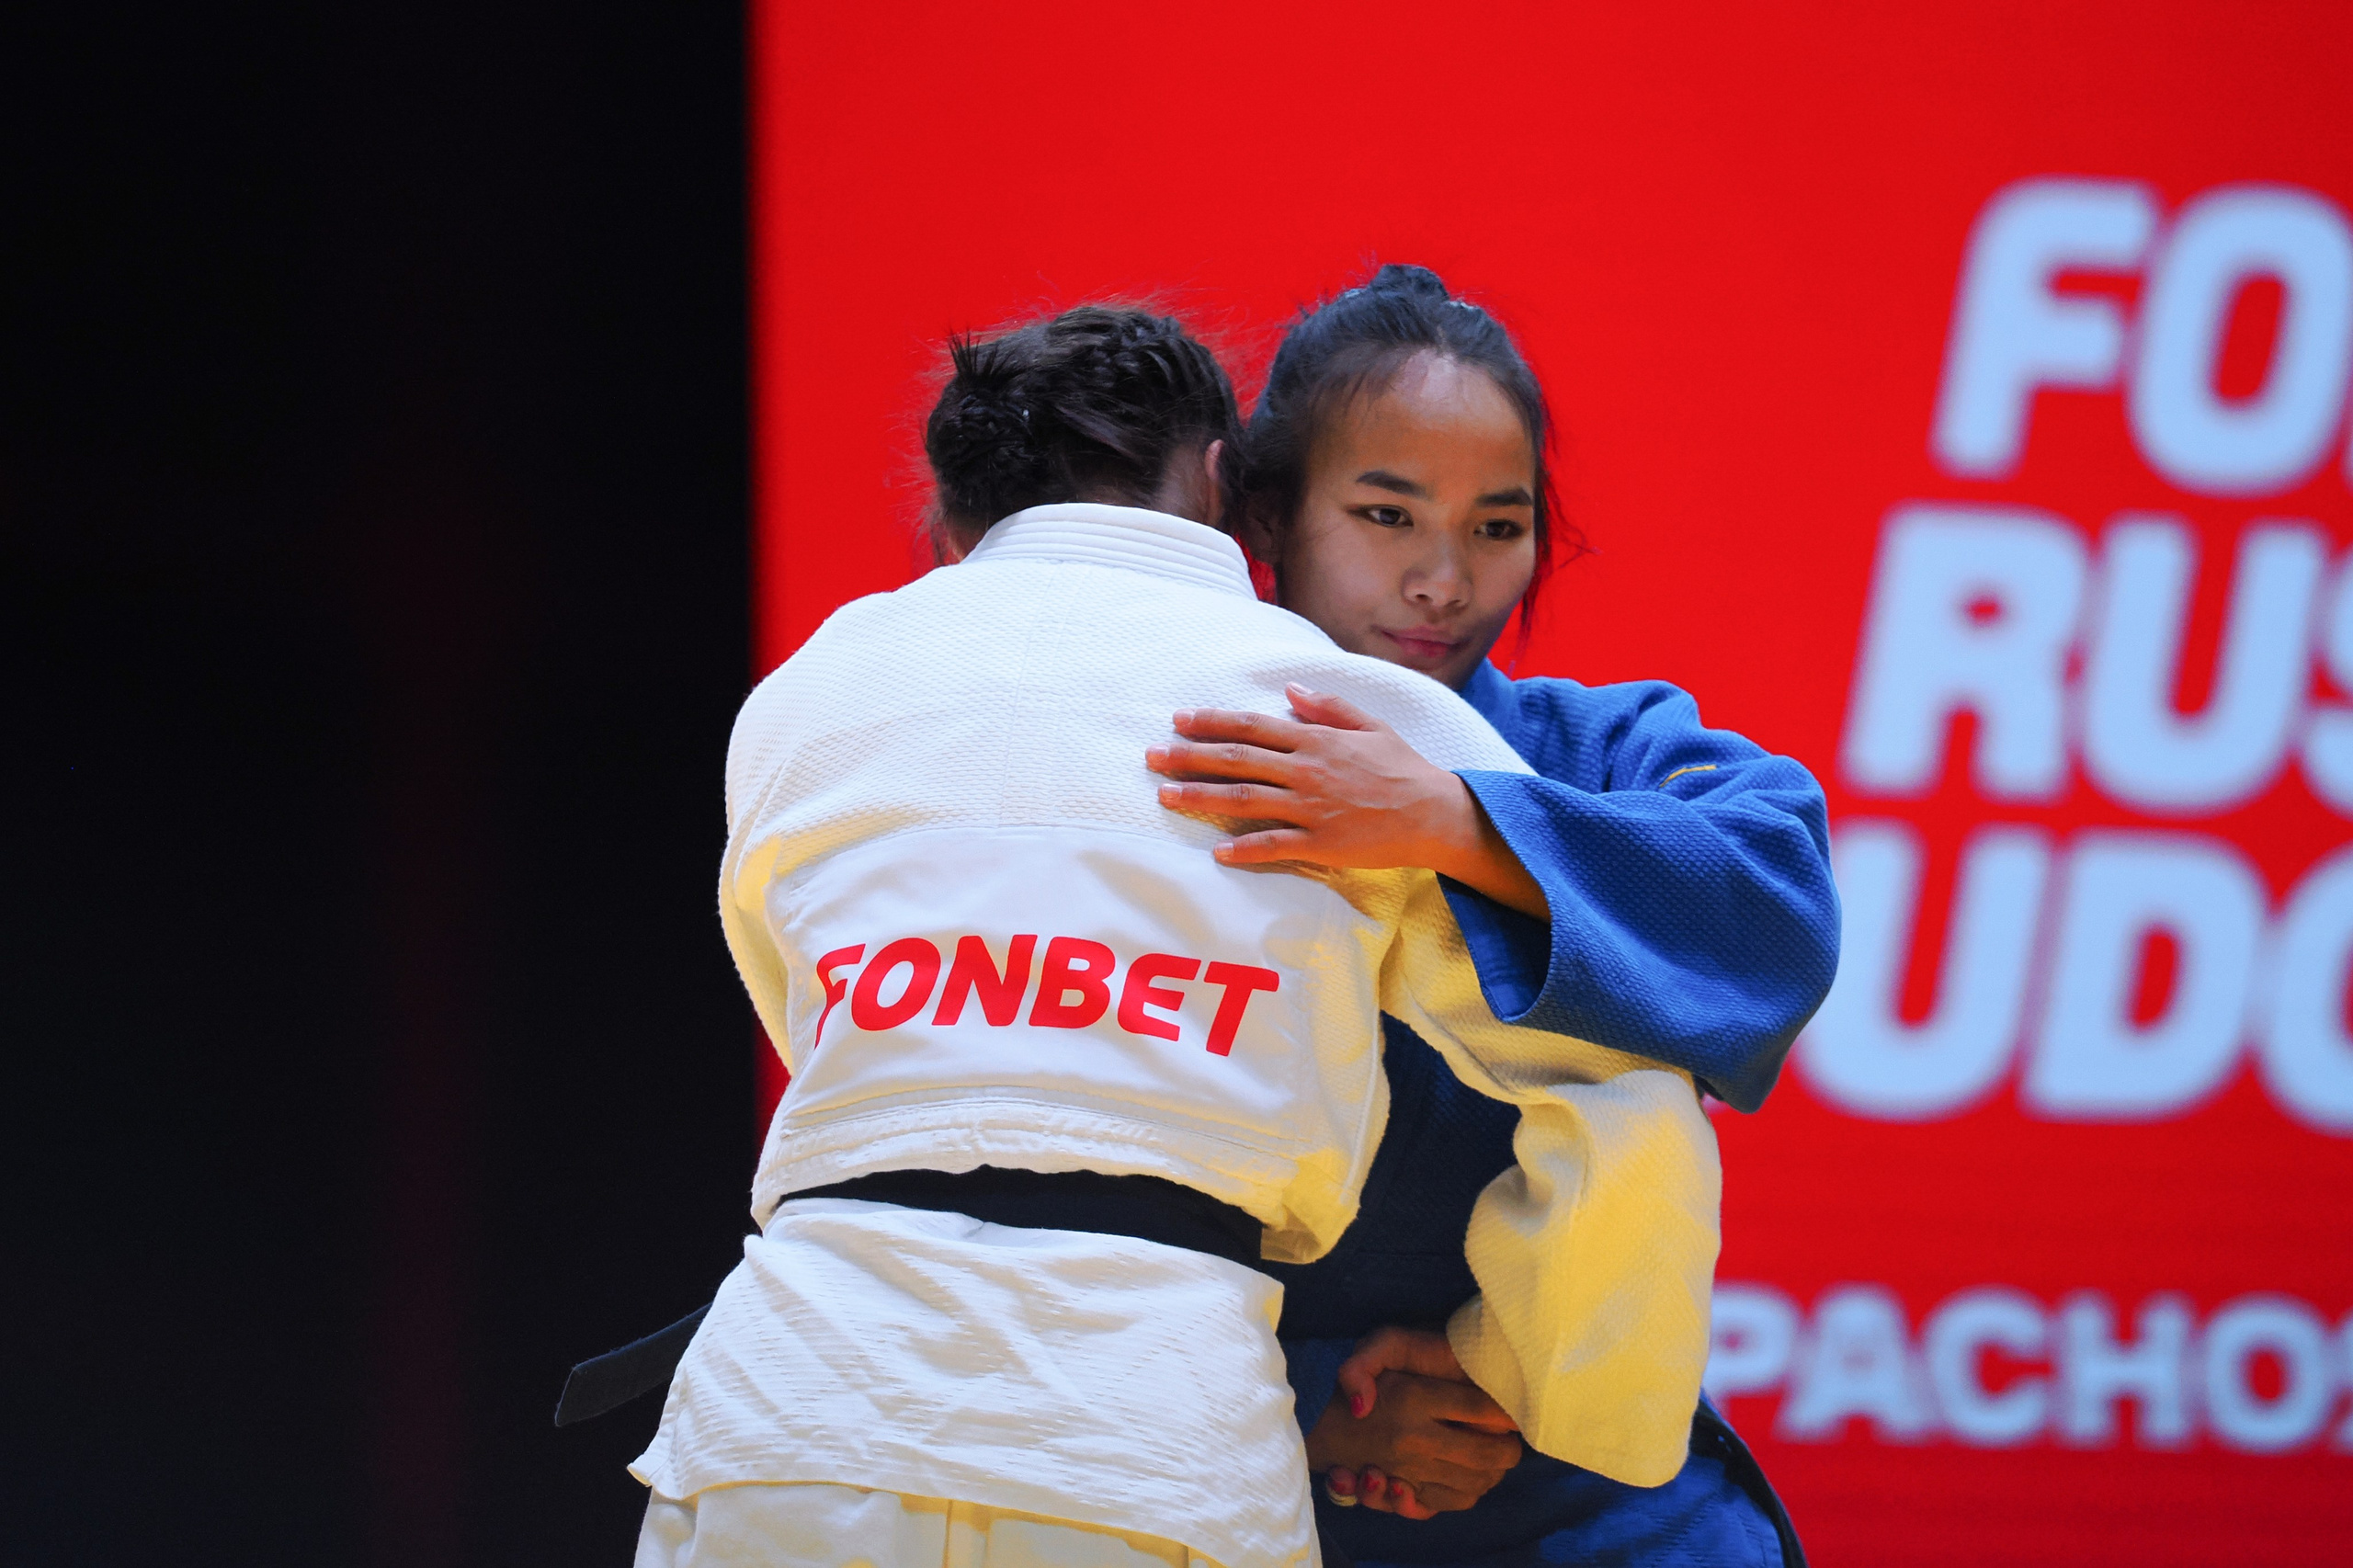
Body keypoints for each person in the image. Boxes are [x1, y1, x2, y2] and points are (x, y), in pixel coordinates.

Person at [629, 303, 1726, 1568]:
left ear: (949, 519)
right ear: (1222, 483)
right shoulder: (1341, 718)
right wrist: (1535, 1381)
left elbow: (801, 1010)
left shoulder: (808, 691)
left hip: (788, 1411)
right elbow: (1619, 1094)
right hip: (1147, 1449)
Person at [1146, 265, 1839, 1566]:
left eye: (1498, 525)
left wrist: (1452, 821)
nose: (1443, 579)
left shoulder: (1590, 748)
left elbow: (1779, 902)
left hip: (1585, 1480)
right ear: (1269, 512)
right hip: (1235, 1465)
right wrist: (1318, 1406)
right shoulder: (1169, 763)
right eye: (1388, 514)